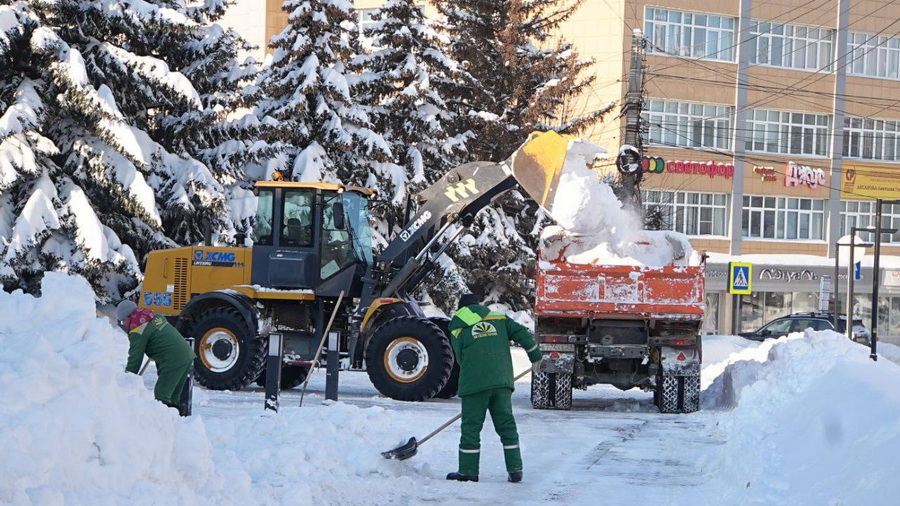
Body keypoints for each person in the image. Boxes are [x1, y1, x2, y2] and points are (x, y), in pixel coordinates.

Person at [445, 293, 542, 484]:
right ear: (478, 305)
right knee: (507, 425)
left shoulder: (457, 327)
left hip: (474, 384)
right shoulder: (498, 317)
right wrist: (535, 356)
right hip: (501, 381)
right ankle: (515, 470)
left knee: (471, 428)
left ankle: (468, 471)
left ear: (461, 309)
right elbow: (522, 334)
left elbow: (459, 358)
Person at [116, 300, 195, 414]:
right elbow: (162, 340)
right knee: (172, 397)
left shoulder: (137, 329)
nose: (125, 324)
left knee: (161, 395)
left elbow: (135, 358)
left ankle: (165, 426)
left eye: (123, 321)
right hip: (185, 355)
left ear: (129, 316)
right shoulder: (153, 316)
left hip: (173, 359)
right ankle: (177, 425)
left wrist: (127, 380)